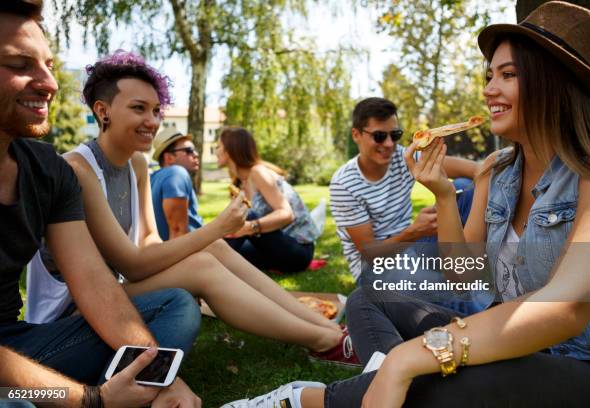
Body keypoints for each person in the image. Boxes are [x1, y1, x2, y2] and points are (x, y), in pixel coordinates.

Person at [222, 2, 590, 406]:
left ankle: (305, 399)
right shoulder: (496, 170)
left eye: (508, 75)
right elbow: (466, 277)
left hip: (588, 364)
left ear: (554, 82)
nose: (488, 89)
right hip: (507, 337)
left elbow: (567, 308)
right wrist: (444, 193)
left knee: (455, 374)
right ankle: (390, 385)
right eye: (489, 75)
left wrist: (410, 359)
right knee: (369, 295)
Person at [25, 50, 357, 366]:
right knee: (203, 263)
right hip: (70, 314)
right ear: (102, 111)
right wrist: (219, 227)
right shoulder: (79, 169)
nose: (152, 121)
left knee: (212, 249)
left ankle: (320, 324)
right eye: (139, 108)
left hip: (110, 295)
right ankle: (323, 341)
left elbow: (150, 242)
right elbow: (133, 264)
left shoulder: (137, 165)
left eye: (156, 110)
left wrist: (211, 239)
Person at [0, 1, 201, 407]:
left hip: (19, 343)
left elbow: (94, 282)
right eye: (20, 64)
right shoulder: (78, 165)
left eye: (49, 65)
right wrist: (91, 399)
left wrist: (156, 372)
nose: (49, 83)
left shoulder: (45, 169)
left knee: (175, 303)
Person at [329, 97, 478, 283]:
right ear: (356, 135)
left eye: (395, 135)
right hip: (375, 267)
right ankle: (483, 303)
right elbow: (370, 254)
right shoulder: (344, 183)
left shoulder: (404, 156)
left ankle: (467, 264)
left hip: (414, 246)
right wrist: (415, 231)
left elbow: (476, 170)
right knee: (444, 288)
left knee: (464, 187)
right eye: (379, 136)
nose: (390, 144)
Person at [219, 127, 320, 273]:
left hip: (298, 250)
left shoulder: (258, 172)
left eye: (218, 147)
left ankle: (204, 272)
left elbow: (286, 214)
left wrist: (249, 227)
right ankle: (206, 265)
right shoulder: (238, 185)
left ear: (229, 150)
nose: (215, 151)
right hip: (269, 247)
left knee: (247, 217)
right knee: (230, 255)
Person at [151, 127, 203, 240]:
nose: (196, 154)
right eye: (189, 150)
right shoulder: (176, 174)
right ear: (169, 158)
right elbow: (178, 233)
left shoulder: (153, 178)